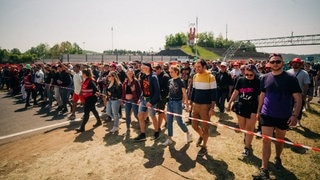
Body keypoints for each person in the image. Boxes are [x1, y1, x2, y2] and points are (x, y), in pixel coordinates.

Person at [252, 53, 302, 179]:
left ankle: (278, 157)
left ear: (282, 62)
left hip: (284, 116)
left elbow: (298, 98)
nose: (275, 64)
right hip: (267, 114)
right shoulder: (264, 78)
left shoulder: (290, 78)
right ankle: (264, 169)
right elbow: (262, 95)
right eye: (273, 62)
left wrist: (295, 115)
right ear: (269, 63)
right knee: (266, 140)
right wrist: (259, 111)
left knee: (279, 141)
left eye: (278, 61)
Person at [227, 64, 260, 157]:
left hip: (252, 107)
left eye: (251, 75)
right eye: (247, 74)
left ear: (255, 73)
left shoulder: (258, 82)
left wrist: (259, 110)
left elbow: (259, 97)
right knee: (242, 128)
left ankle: (247, 148)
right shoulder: (240, 80)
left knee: (250, 129)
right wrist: (229, 102)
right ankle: (247, 138)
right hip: (241, 106)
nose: (248, 77)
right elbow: (236, 92)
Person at [190, 59, 217, 157]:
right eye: (195, 67)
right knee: (194, 125)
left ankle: (204, 147)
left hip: (206, 106)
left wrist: (212, 108)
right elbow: (193, 91)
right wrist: (190, 104)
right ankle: (201, 136)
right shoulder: (195, 76)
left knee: (205, 128)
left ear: (204, 66)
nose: (196, 69)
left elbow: (214, 94)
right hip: (195, 105)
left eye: (199, 67)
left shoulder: (211, 77)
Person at [162, 65, 192, 146]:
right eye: (170, 72)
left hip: (177, 103)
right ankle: (169, 139)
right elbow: (170, 91)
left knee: (179, 121)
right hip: (170, 103)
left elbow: (185, 94)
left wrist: (187, 105)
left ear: (176, 72)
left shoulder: (181, 81)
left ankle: (188, 133)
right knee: (169, 121)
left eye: (172, 72)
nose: (170, 73)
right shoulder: (170, 81)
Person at [134, 63, 160, 141]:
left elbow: (157, 92)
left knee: (152, 116)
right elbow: (143, 89)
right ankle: (142, 134)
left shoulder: (153, 77)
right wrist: (140, 98)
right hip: (143, 99)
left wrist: (151, 102)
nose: (142, 69)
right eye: (142, 67)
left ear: (149, 68)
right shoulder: (143, 76)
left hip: (151, 100)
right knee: (140, 116)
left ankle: (156, 132)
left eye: (144, 67)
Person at [287, 58, 310, 126]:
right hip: (289, 94)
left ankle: (298, 121)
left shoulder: (304, 73)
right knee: (289, 107)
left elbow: (306, 85)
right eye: (293, 63)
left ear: (300, 64)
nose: (295, 64)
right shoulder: (288, 72)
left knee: (299, 108)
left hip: (300, 94)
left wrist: (304, 94)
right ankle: (289, 120)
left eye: (297, 63)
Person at [121, 68, 142, 132]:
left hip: (134, 100)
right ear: (126, 73)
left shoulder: (135, 81)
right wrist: (123, 99)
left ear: (133, 73)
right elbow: (123, 91)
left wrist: (139, 99)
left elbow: (140, 91)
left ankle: (140, 123)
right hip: (127, 101)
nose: (129, 74)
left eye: (131, 73)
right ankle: (128, 128)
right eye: (128, 73)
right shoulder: (125, 81)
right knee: (127, 114)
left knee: (136, 114)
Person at [153, 64, 170, 130]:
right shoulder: (157, 75)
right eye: (154, 70)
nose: (154, 71)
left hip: (162, 97)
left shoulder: (165, 76)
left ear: (159, 69)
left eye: (155, 70)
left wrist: (162, 96)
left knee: (160, 112)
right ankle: (167, 122)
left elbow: (167, 88)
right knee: (161, 111)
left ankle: (158, 127)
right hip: (158, 96)